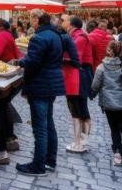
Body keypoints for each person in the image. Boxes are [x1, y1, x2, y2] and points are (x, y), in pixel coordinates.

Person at [16, 10, 79, 176]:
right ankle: (50, 160)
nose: (30, 23)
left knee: (40, 128)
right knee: (49, 124)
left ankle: (38, 166)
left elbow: (33, 62)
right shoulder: (57, 35)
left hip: (39, 85)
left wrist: (20, 62)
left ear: (37, 20)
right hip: (52, 85)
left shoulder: (39, 37)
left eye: (31, 19)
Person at [91, 41, 122, 166]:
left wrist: (91, 94)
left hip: (108, 104)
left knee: (114, 129)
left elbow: (95, 85)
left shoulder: (101, 68)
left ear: (108, 51)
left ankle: (117, 153)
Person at [0, 18, 23, 165]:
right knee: (4, 107)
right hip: (13, 77)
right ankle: (10, 139)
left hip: (7, 79)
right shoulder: (8, 35)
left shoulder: (1, 36)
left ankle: (1, 152)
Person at [64, 16, 93, 153]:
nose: (65, 25)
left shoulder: (79, 38)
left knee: (79, 110)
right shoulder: (78, 36)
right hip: (80, 76)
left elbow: (74, 58)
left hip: (79, 77)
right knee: (79, 109)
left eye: (66, 23)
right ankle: (82, 141)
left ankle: (80, 143)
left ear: (72, 25)